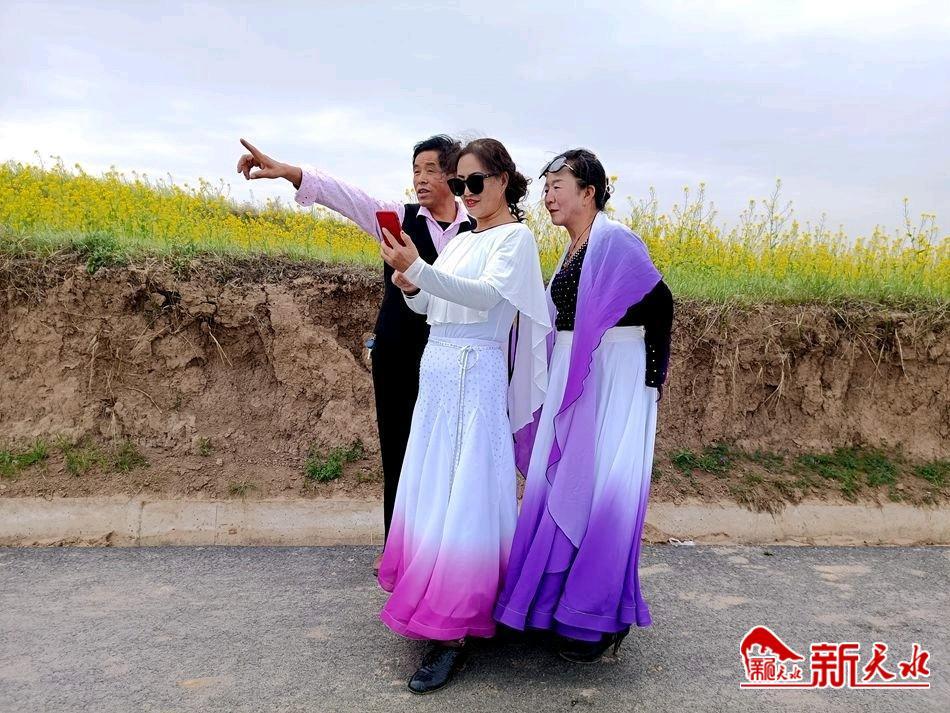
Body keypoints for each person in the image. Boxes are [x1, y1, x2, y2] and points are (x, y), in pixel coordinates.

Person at [236, 136, 474, 569]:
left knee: (451, 452)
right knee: (398, 448)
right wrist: (289, 172)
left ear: (453, 175)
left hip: (454, 356)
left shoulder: (475, 229)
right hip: (399, 352)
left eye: (430, 170)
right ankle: (399, 554)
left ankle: (448, 554)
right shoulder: (396, 218)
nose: (420, 179)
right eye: (415, 170)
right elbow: (343, 196)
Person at [376, 138, 551, 694]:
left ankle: (452, 628)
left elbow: (483, 297)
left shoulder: (516, 239)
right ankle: (433, 594)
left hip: (475, 372)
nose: (466, 193)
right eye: (459, 184)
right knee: (435, 485)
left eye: (475, 182)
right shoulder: (464, 239)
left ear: (503, 181)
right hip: (438, 371)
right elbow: (434, 305)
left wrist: (419, 269)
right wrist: (411, 285)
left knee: (465, 489)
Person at [493, 149, 674, 663]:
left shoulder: (613, 240)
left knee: (602, 487)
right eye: (546, 188)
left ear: (589, 192)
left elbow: (660, 301)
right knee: (565, 484)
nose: (548, 196)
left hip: (613, 373)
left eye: (558, 186)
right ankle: (553, 604)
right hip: (576, 372)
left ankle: (594, 617)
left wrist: (649, 382)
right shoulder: (573, 250)